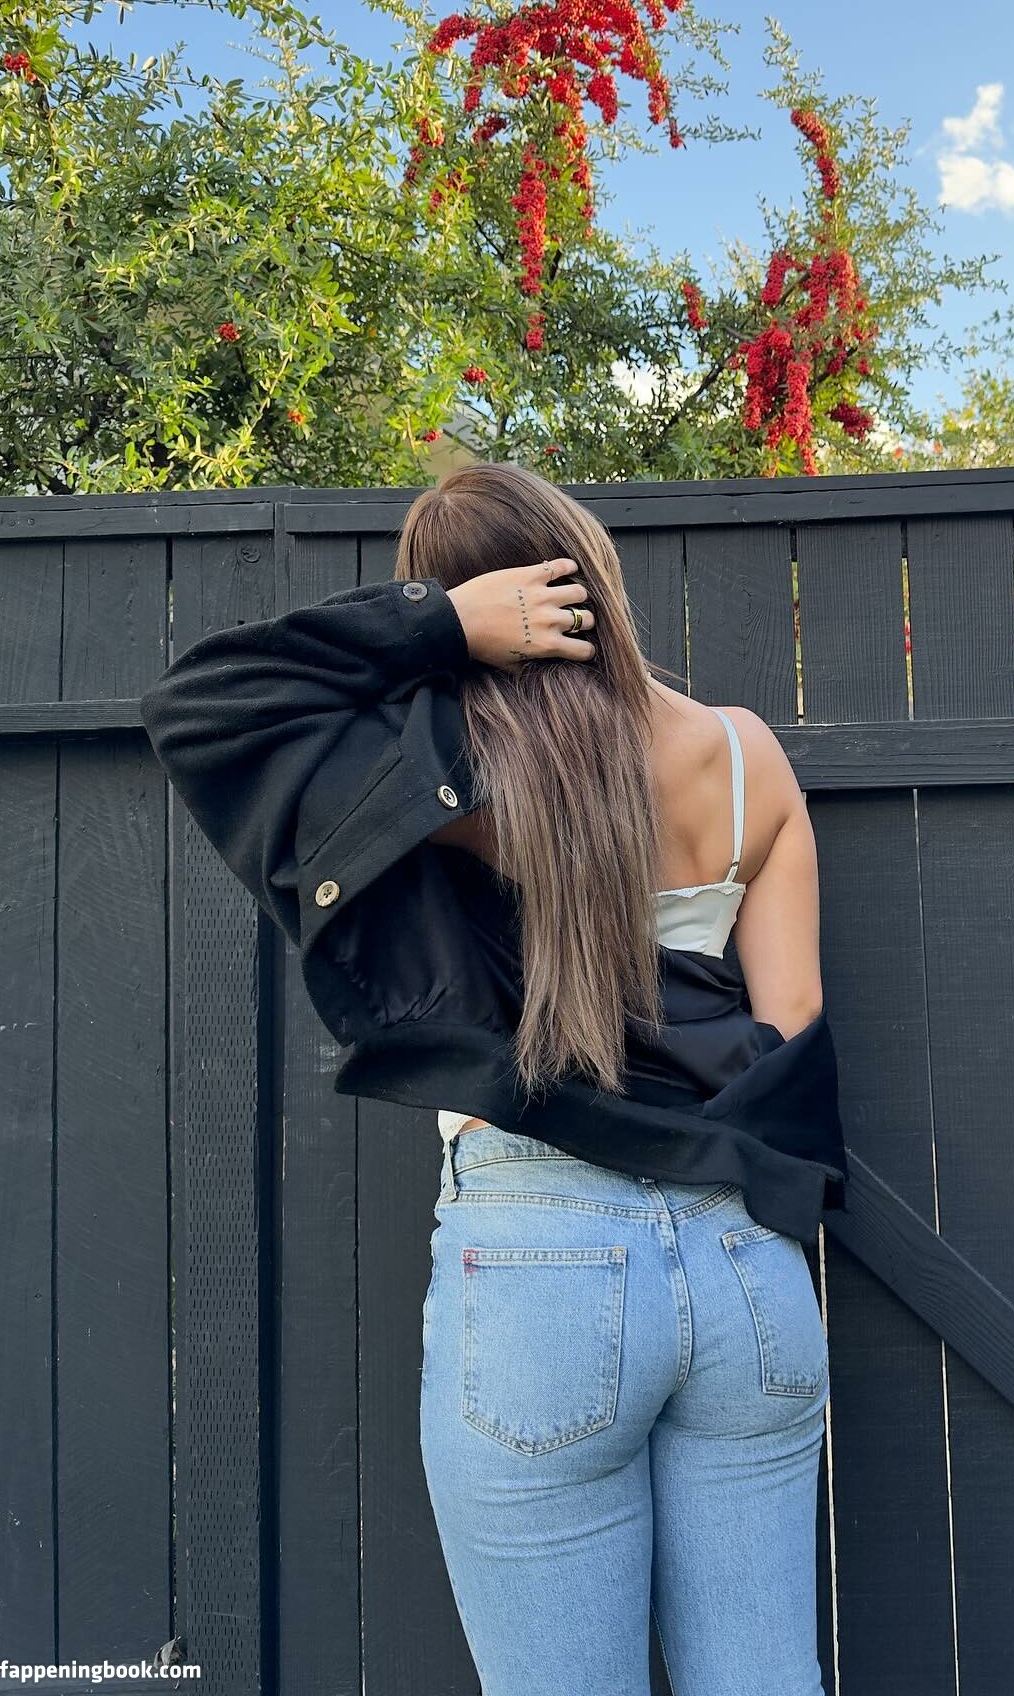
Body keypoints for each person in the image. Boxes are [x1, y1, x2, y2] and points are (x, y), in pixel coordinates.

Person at [138, 462, 849, 1696]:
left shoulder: (443, 782)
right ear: (591, 567)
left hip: (540, 1262)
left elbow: (200, 703)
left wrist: (438, 627)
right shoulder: (744, 756)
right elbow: (791, 1030)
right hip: (745, 1263)